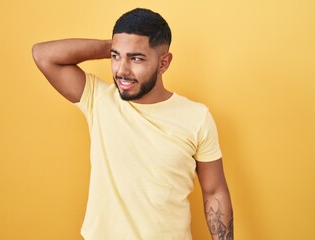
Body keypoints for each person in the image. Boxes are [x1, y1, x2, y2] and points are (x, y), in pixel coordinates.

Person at [32, 8, 233, 240]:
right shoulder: (98, 99)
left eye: (136, 58)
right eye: (116, 56)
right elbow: (43, 54)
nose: (121, 70)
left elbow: (214, 190)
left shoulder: (197, 117)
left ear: (164, 63)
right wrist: (119, 45)